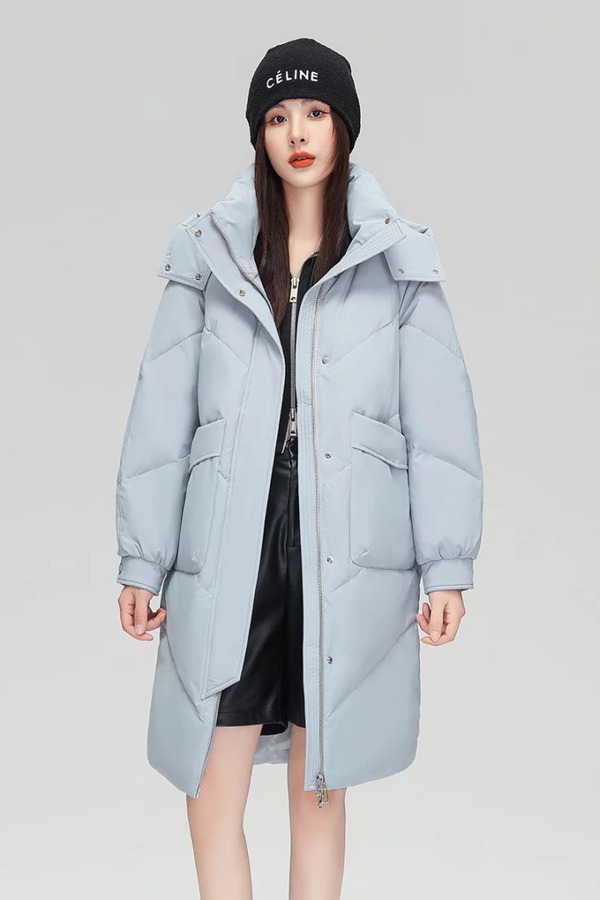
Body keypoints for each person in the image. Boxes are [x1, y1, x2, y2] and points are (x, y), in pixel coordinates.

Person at [114, 37, 483, 899]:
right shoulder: (208, 258)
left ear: (344, 125)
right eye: (278, 117)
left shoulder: (396, 264)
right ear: (259, 135)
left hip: (344, 548)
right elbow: (162, 418)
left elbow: (438, 426)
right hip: (229, 546)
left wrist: (448, 567)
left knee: (322, 788)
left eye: (316, 112)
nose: (299, 133)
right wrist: (141, 559)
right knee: (211, 786)